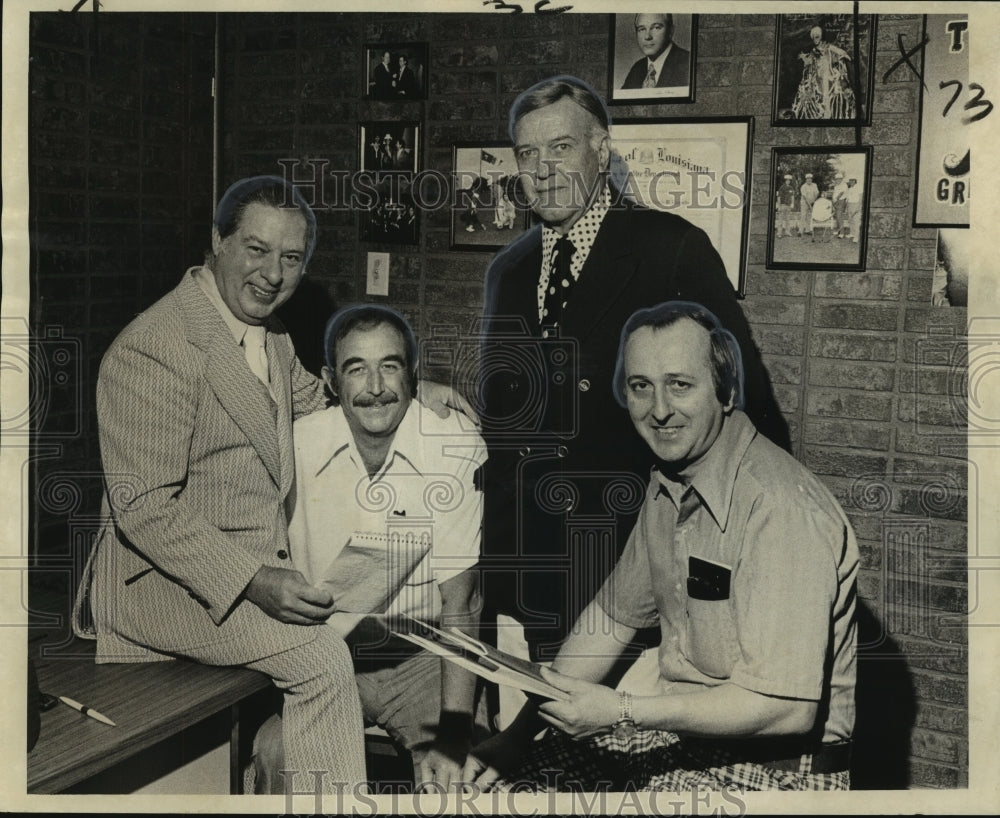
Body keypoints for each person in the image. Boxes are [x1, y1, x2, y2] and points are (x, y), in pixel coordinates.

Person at [77, 175, 473, 795]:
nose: (272, 273)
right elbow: (144, 509)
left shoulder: (272, 335)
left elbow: (319, 398)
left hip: (248, 570)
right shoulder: (154, 347)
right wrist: (257, 580)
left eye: (291, 258)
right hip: (161, 587)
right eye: (256, 250)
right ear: (218, 241)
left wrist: (411, 390)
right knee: (320, 660)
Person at [467, 301, 858, 792]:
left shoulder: (779, 507)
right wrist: (517, 737)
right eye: (640, 387)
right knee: (509, 789)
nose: (659, 410)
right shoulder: (669, 482)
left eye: (680, 384)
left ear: (726, 390)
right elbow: (611, 620)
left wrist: (623, 712)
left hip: (778, 774)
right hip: (689, 748)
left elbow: (787, 710)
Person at [478, 76, 787, 664]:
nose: (542, 169)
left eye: (561, 148)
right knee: (534, 741)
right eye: (527, 153)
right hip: (531, 573)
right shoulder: (510, 270)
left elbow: (748, 403)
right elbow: (506, 426)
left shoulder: (669, 247)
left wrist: (734, 558)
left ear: (600, 150)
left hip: (637, 569)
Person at [252, 305, 491, 791]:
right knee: (275, 750)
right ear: (329, 382)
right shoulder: (294, 446)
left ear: (414, 375)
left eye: (391, 366)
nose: (376, 386)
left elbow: (462, 605)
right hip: (327, 657)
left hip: (424, 659)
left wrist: (453, 735)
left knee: (461, 775)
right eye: (356, 368)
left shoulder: (453, 443)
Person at [791, 25, 856, 120]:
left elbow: (840, 52)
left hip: (830, 77)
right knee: (811, 92)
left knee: (835, 93)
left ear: (821, 36)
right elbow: (809, 61)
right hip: (819, 78)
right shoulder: (813, 52)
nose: (815, 39)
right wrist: (804, 58)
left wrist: (844, 56)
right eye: (813, 37)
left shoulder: (829, 47)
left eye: (817, 36)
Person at [621, 14, 690, 90]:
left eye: (656, 28)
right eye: (642, 29)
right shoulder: (637, 68)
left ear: (671, 31)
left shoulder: (688, 63)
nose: (647, 36)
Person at [799, 172, 819, 236]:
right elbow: (804, 197)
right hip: (804, 203)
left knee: (809, 217)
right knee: (803, 216)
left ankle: (807, 230)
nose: (809, 180)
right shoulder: (803, 186)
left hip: (811, 202)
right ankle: (800, 231)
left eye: (810, 179)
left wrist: (813, 202)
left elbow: (816, 193)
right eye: (808, 179)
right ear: (806, 179)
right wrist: (809, 205)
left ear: (812, 179)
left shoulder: (814, 185)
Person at [844, 177, 862, 243]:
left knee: (856, 221)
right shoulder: (849, 189)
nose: (851, 182)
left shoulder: (859, 187)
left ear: (855, 181)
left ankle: (856, 237)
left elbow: (861, 198)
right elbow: (848, 199)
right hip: (850, 205)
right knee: (850, 220)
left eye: (852, 180)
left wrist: (858, 207)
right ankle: (852, 233)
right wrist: (846, 208)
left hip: (856, 205)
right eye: (850, 180)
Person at [831, 171, 849, 238]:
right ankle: (838, 231)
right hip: (836, 202)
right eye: (837, 179)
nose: (838, 180)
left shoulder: (844, 185)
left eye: (839, 179)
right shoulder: (836, 186)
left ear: (841, 179)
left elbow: (841, 193)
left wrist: (836, 199)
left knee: (839, 217)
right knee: (837, 217)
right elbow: (834, 194)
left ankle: (842, 233)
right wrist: (833, 201)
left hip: (841, 201)